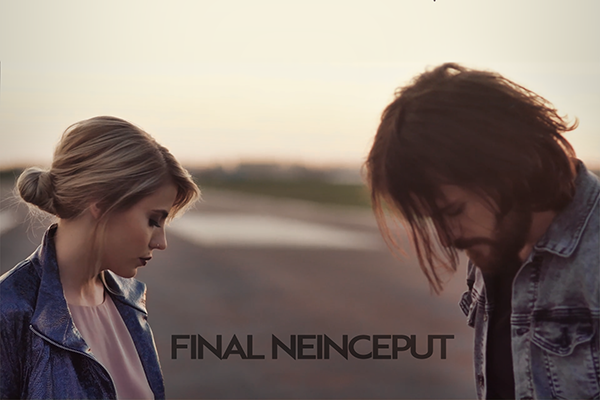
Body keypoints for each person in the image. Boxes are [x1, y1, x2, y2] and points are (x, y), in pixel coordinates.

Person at [365, 63, 599, 399]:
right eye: (432, 219)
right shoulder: (496, 246)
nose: (447, 238)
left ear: (511, 170)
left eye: (453, 211)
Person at [0, 116, 200, 399]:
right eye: (153, 220)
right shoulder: (9, 312)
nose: (161, 242)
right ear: (101, 203)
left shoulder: (129, 302)